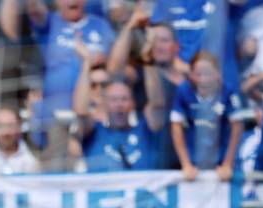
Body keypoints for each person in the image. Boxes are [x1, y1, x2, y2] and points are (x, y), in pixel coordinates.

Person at [0, 0, 116, 126]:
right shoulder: (49, 22)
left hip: (95, 112)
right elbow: (30, 10)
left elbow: (121, 67)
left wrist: (106, 60)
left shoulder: (100, 25)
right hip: (56, 113)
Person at [108, 7, 186, 169]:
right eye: (154, 40)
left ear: (176, 46)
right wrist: (130, 27)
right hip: (153, 157)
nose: (158, 46)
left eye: (164, 40)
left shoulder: (188, 78)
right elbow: (114, 70)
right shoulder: (140, 71)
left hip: (187, 159)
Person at [74, 38, 165, 172]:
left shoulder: (144, 131)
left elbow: (157, 104)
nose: (119, 104)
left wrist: (147, 60)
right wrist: (86, 63)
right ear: (104, 104)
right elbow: (80, 111)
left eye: (124, 99)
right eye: (114, 99)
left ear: (133, 104)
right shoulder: (95, 133)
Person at [170, 51, 244, 181]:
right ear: (191, 74)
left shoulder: (228, 91)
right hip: (193, 159)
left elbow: (237, 127)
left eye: (208, 73)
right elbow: (176, 127)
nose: (203, 80)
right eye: (198, 74)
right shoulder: (183, 91)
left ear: (217, 73)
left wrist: (228, 163)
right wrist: (186, 164)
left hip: (220, 158)